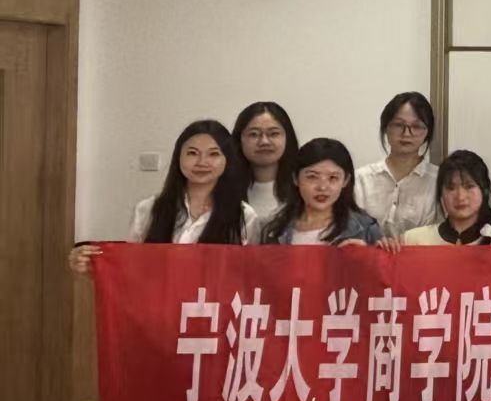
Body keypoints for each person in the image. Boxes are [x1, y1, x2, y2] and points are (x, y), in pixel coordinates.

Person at [68, 119, 259, 273]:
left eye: (213, 154)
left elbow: (249, 276)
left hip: (213, 309)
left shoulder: (244, 216)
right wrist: (92, 264)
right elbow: (131, 268)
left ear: (227, 160)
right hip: (158, 306)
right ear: (178, 157)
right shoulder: (148, 209)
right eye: (192, 153)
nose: (202, 162)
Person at [260, 138, 382, 245]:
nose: (322, 187)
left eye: (333, 178)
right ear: (296, 178)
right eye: (312, 177)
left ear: (345, 181)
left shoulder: (366, 229)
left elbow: (379, 264)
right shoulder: (273, 230)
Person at [353, 91, 440, 241]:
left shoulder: (439, 181)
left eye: (417, 126)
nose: (406, 133)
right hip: (366, 255)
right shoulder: (360, 179)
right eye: (398, 125)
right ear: (386, 128)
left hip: (421, 256)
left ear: (428, 132)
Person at [401, 150, 491, 245]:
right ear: (441, 193)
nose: (460, 197)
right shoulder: (412, 240)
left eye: (469, 186)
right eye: (451, 188)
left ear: (484, 190)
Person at [232, 101, 298, 221]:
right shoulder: (223, 190)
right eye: (254, 134)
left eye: (274, 134)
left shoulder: (303, 188)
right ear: (239, 140)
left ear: (287, 138)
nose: (264, 141)